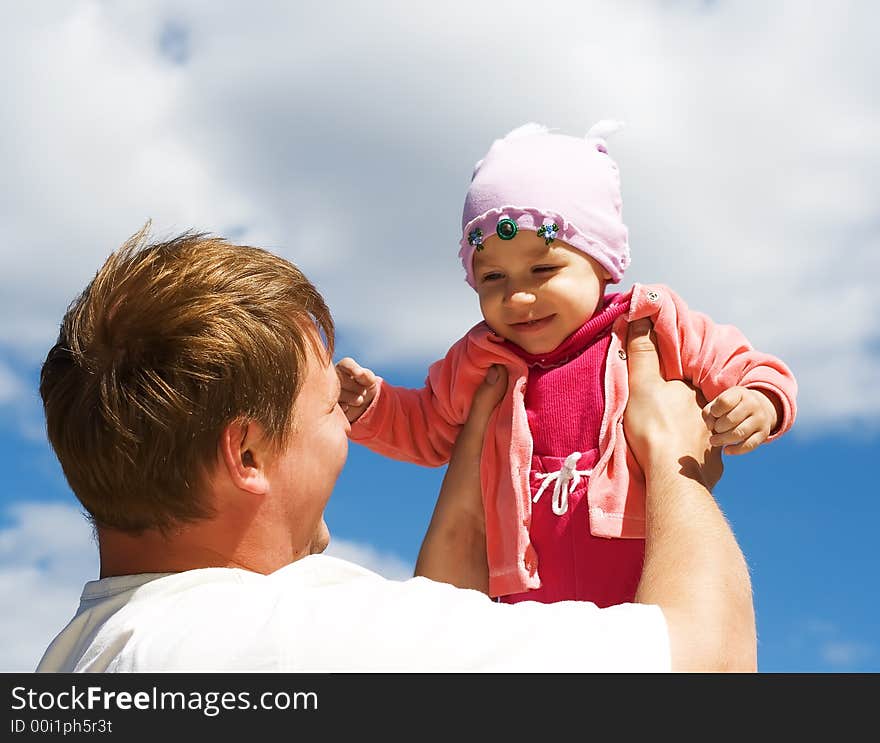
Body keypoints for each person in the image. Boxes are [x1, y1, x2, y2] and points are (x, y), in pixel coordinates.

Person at [36, 225, 754, 673]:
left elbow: (433, 628)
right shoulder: (283, 636)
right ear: (247, 455)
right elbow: (709, 668)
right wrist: (672, 456)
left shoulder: (82, 656)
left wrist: (471, 473)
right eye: (327, 408)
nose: (347, 429)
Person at [337, 121, 798, 605]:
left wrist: (758, 402)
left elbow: (746, 363)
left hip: (641, 574)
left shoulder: (652, 322)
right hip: (524, 593)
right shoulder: (479, 359)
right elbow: (427, 426)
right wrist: (372, 406)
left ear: (601, 262)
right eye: (492, 276)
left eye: (543, 269)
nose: (517, 295)